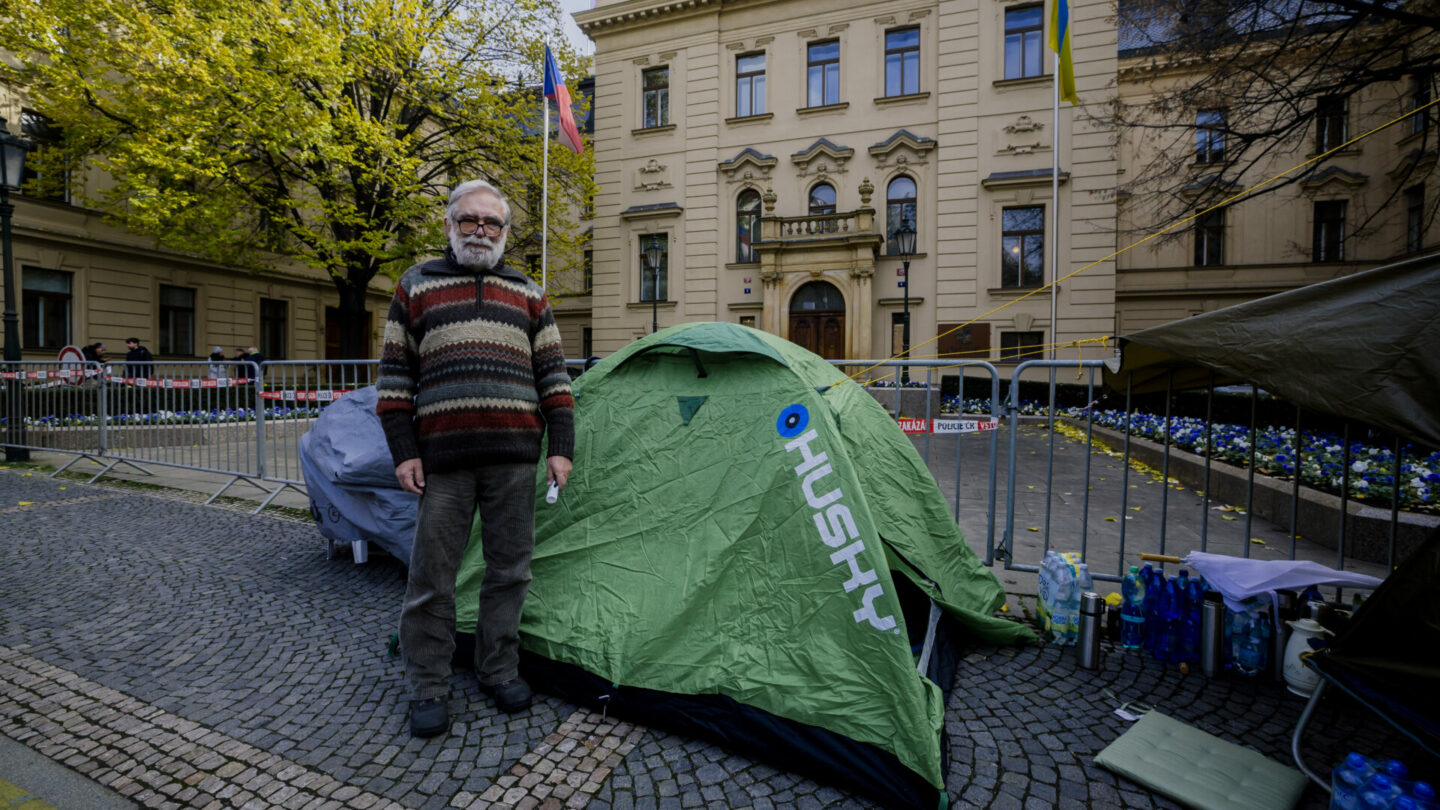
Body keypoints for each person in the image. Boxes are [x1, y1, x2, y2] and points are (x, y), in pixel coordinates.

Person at [376, 178, 574, 738]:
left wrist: (560, 448)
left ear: (506, 233)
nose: (481, 231)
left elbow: (554, 380)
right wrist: (403, 452)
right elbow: (394, 381)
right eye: (470, 220)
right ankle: (427, 686)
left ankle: (497, 669)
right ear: (449, 225)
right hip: (443, 460)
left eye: (492, 223)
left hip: (515, 458)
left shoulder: (530, 293)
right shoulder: (416, 285)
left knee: (509, 573)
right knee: (431, 579)